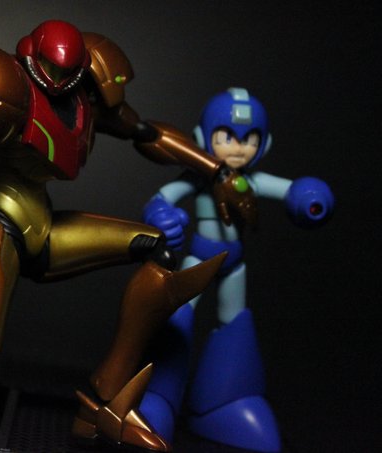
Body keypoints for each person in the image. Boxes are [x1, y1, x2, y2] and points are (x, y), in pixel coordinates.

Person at [0, 21, 254, 451]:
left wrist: (217, 171)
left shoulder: (88, 96)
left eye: (67, 75)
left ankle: (102, 403)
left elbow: (145, 132)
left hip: (48, 228)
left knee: (158, 249)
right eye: (50, 72)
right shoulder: (1, 91)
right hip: (0, 224)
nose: (57, 83)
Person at [139, 87, 334, 451]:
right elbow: (162, 198)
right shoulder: (199, 178)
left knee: (235, 325)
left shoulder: (251, 182)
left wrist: (310, 198)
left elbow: (293, 190)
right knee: (177, 320)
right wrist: (161, 216)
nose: (238, 148)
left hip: (234, 266)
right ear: (203, 138)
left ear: (264, 144)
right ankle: (156, 397)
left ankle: (226, 401)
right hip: (199, 260)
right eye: (226, 136)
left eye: (249, 139)